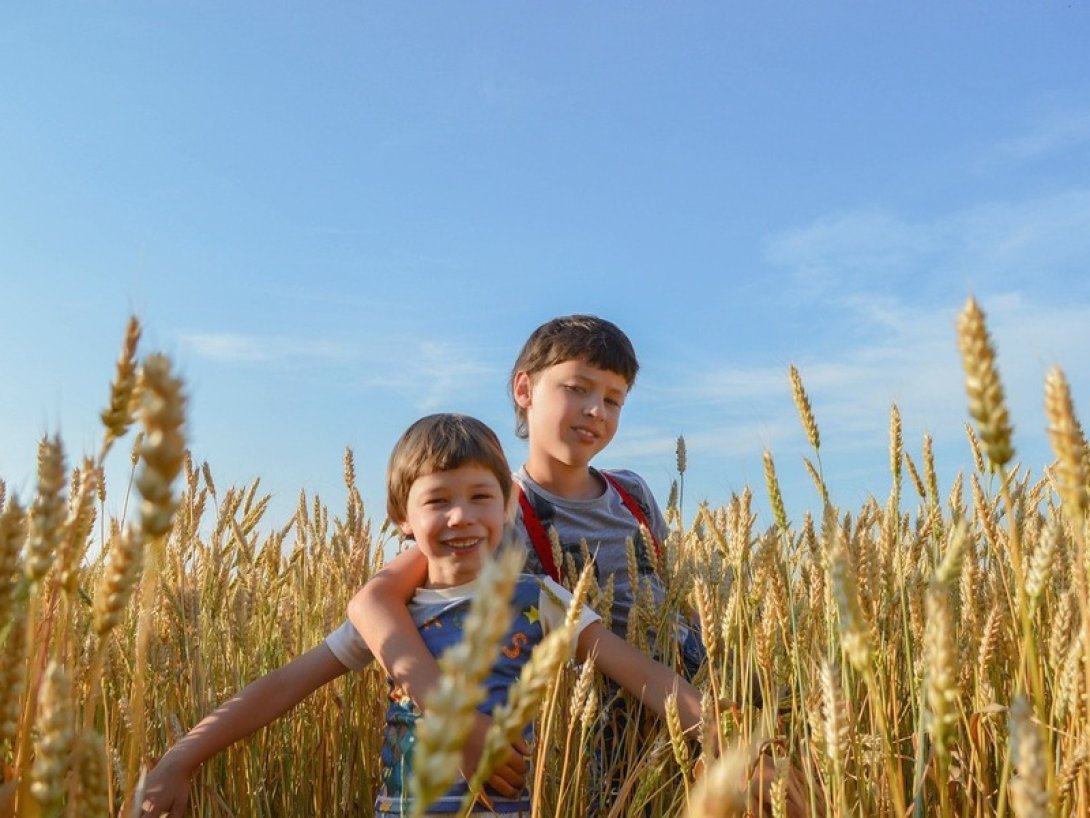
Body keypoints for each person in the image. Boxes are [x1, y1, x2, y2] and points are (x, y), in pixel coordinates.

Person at [342, 315, 704, 798]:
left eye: (613, 399)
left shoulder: (633, 491)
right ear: (524, 389)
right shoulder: (494, 514)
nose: (596, 409)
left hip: (684, 702)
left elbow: (668, 593)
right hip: (595, 738)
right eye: (578, 388)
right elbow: (374, 600)